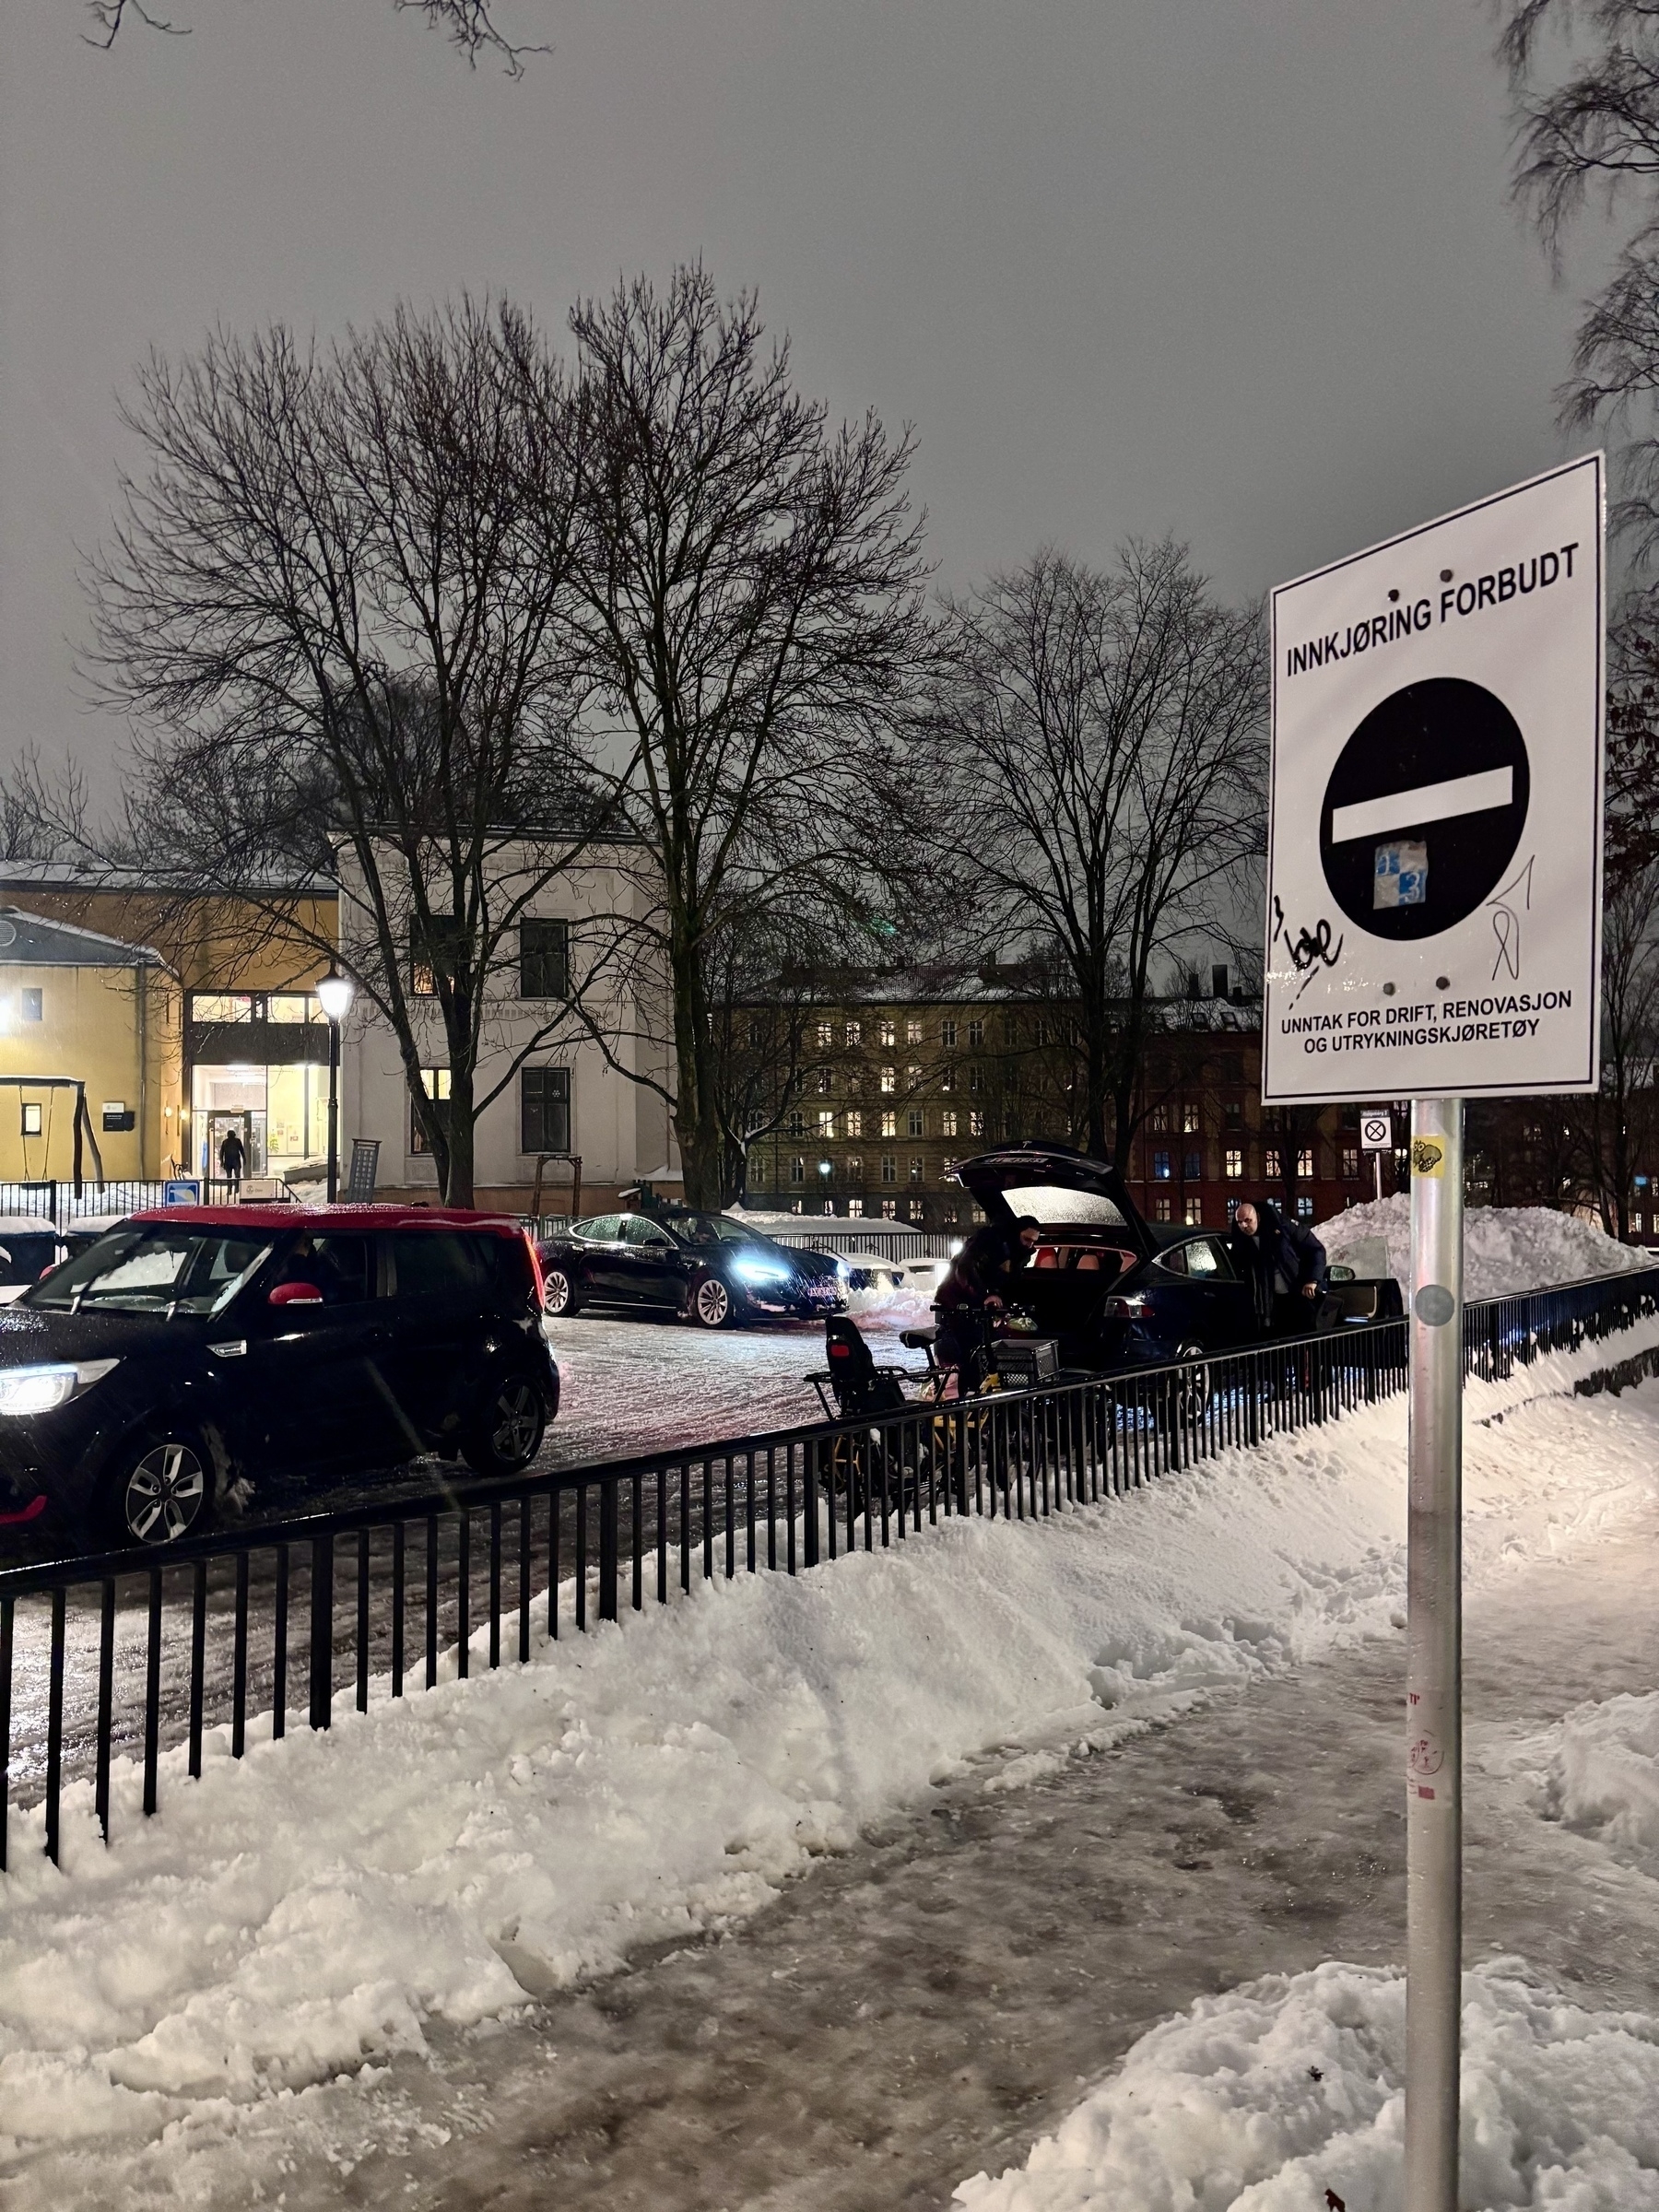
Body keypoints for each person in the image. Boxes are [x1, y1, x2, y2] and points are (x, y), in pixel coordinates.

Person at [932, 1214, 1041, 1393]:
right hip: (958, 1303)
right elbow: (966, 1268)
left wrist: (1006, 1301)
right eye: (1026, 1239)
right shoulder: (990, 1240)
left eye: (1033, 1241)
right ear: (1016, 1233)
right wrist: (986, 1295)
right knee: (971, 1356)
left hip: (978, 1305)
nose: (1029, 1244)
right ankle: (966, 1403)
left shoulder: (1019, 1252)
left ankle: (981, 1398)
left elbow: (1009, 1281)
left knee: (987, 1352)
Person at [1227, 1198, 1327, 1338]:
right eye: (1240, 1222)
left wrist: (1313, 1279)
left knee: (1305, 1339)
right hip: (1272, 1304)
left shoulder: (1282, 1226)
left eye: (1248, 1220)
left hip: (1299, 1293)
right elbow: (1238, 1268)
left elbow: (1315, 1249)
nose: (1244, 1225)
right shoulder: (1241, 1242)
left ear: (1258, 1217)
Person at [218, 1126, 246, 1194]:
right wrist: (244, 1159)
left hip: (228, 1161)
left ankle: (229, 1189)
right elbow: (242, 1151)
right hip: (236, 1160)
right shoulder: (237, 1141)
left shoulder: (225, 1142)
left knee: (229, 1176)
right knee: (237, 1176)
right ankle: (236, 1188)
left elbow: (221, 1153)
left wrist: (222, 1161)